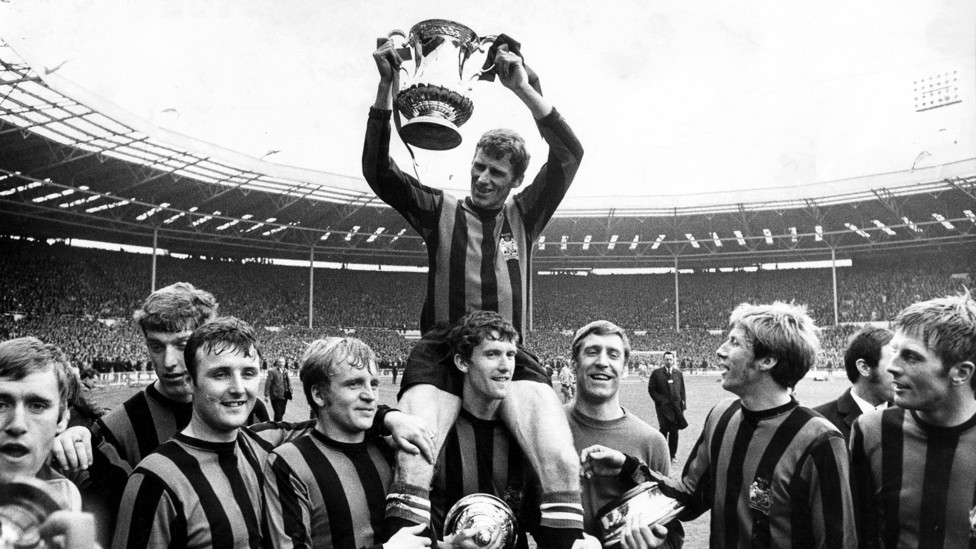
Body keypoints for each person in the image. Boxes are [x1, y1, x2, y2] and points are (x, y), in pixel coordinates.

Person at [365, 36, 585, 546]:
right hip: (441, 353)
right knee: (416, 450)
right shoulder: (438, 210)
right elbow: (379, 171)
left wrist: (525, 89)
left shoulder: (525, 214)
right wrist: (384, 90)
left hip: (513, 355)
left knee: (560, 460)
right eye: (479, 167)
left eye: (497, 173)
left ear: (514, 181)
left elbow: (570, 152)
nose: (483, 178)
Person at [651, 302, 856, 548]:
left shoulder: (819, 439)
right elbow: (690, 497)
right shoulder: (721, 416)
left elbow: (838, 542)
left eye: (734, 342)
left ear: (767, 360)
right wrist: (627, 468)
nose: (720, 351)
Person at [112, 316, 274, 548]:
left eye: (248, 374)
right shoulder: (154, 480)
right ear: (189, 381)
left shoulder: (260, 451)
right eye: (221, 374)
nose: (238, 388)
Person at [263, 337, 430, 549]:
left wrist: (447, 545)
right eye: (354, 384)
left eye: (374, 384)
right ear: (319, 395)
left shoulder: (387, 450)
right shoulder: (288, 463)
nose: (370, 395)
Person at [850, 293, 976, 548]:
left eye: (911, 356)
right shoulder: (871, 431)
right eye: (894, 351)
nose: (891, 367)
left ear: (961, 373)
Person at [565, 321, 679, 548]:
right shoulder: (545, 428)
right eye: (592, 352)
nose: (602, 362)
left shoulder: (652, 442)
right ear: (574, 364)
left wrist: (656, 544)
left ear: (625, 369)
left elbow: (673, 536)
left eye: (613, 355)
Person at [812, 326, 894, 441]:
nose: (902, 371)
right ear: (864, 367)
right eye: (893, 364)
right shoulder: (819, 421)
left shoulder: (911, 417)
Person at [647, 351, 686, 463]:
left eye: (670, 359)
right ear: (663, 360)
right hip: (663, 408)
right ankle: (662, 454)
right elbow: (651, 389)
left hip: (676, 408)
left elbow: (682, 390)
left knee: (674, 432)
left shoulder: (678, 373)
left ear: (673, 360)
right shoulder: (657, 373)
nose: (669, 361)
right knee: (663, 429)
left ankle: (672, 455)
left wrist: (683, 404)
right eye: (666, 359)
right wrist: (660, 401)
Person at [264, 357, 292, 422]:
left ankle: (278, 425)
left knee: (282, 412)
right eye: (279, 362)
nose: (281, 363)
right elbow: (268, 383)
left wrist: (290, 390)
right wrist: (266, 395)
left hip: (285, 394)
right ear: (277, 363)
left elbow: (288, 382)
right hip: (276, 394)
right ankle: (277, 427)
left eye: (282, 362)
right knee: (278, 413)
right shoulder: (272, 371)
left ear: (285, 363)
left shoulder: (285, 370)